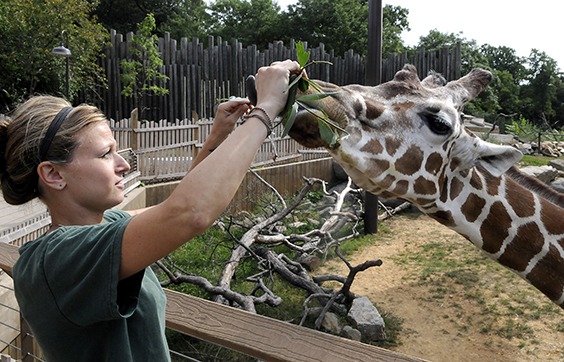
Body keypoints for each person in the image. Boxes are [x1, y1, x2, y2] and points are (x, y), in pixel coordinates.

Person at [0, 60, 301, 361]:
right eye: (106, 154)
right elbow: (188, 214)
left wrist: (217, 137)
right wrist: (267, 109)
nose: (124, 165)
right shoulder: (55, 261)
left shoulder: (105, 227)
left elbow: (170, 212)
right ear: (53, 174)